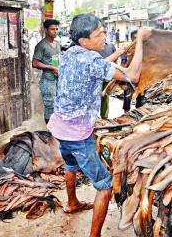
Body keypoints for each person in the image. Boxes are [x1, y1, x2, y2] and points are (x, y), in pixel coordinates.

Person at [47, 13, 149, 237]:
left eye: (104, 31)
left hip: (60, 128)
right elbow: (133, 74)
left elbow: (98, 65)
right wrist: (140, 40)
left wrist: (120, 52)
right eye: (99, 34)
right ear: (84, 41)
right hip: (77, 135)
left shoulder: (71, 53)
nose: (104, 35)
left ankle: (72, 202)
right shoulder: (90, 59)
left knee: (71, 166)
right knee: (104, 185)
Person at [32, 19, 61, 123]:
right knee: (49, 108)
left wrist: (58, 68)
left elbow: (56, 60)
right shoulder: (41, 45)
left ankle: (55, 130)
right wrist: (52, 68)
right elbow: (35, 63)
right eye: (52, 29)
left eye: (57, 29)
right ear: (46, 30)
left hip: (57, 80)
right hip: (47, 81)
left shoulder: (57, 44)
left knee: (57, 106)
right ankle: (49, 132)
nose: (55, 31)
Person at [98, 27, 125, 119]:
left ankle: (104, 118)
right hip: (95, 77)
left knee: (105, 98)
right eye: (101, 33)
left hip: (107, 77)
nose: (103, 35)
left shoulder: (111, 46)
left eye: (105, 32)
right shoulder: (93, 47)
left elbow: (116, 61)